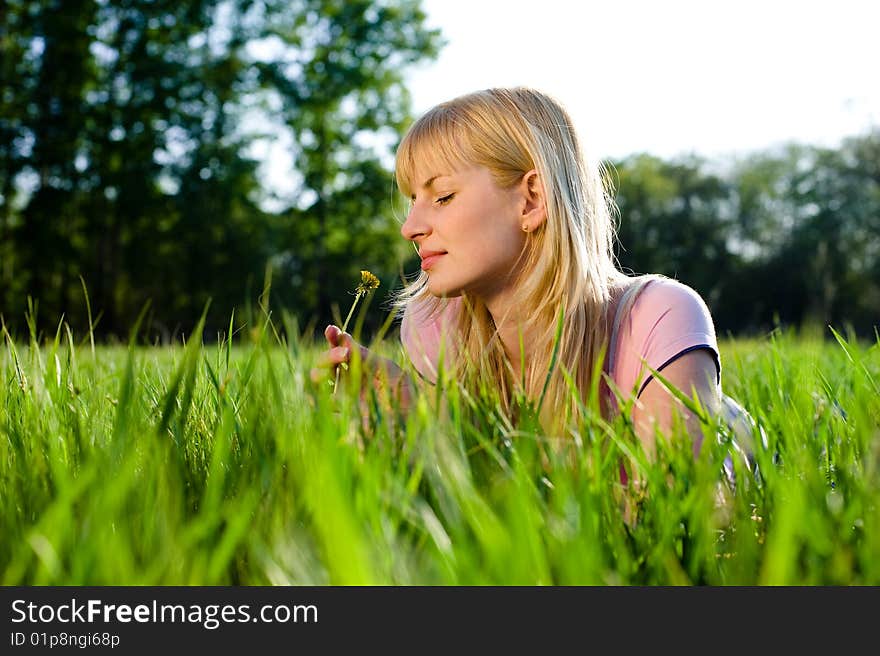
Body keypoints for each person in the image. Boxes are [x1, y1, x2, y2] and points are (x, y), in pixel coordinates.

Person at [315, 87, 750, 463]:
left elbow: (682, 528)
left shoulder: (657, 316)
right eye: (413, 199)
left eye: (442, 196)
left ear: (531, 200)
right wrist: (414, 414)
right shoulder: (435, 323)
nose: (409, 227)